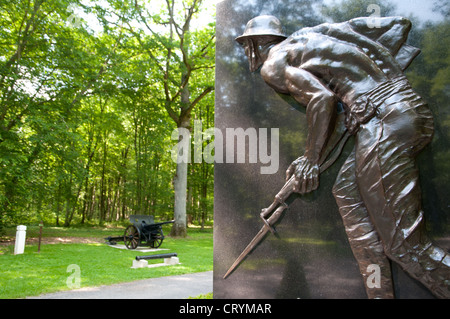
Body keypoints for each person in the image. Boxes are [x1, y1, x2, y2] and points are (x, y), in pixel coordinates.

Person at [236, 15, 450, 299]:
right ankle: (379, 295)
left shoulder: (273, 62)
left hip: (387, 122)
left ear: (254, 44)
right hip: (403, 111)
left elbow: (321, 98)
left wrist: (310, 160)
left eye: (246, 46)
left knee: (405, 245)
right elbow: (400, 25)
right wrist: (372, 91)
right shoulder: (321, 33)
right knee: (347, 193)